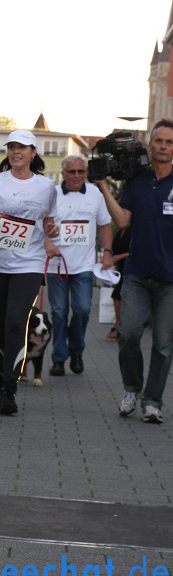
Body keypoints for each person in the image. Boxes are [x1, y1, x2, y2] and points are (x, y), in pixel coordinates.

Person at [0, 130, 59, 416]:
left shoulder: (46, 187)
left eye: (22, 148)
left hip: (29, 263)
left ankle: (10, 388)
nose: (16, 152)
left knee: (16, 322)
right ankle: (1, 371)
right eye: (12, 147)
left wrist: (51, 231)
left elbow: (49, 220)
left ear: (33, 153)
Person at [98, 118, 173, 424]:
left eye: (170, 142)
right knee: (128, 334)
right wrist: (103, 186)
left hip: (170, 279)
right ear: (149, 143)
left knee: (163, 344)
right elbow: (123, 220)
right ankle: (132, 389)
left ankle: (153, 402)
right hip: (138, 274)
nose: (164, 147)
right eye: (159, 141)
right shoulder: (137, 180)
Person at [44, 156, 113, 377]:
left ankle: (76, 351)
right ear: (63, 174)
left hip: (84, 265)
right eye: (71, 172)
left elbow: (104, 224)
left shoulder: (94, 193)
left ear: (85, 173)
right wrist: (47, 242)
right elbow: (41, 224)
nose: (76, 176)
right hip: (57, 265)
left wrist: (108, 253)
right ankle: (58, 359)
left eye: (80, 172)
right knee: (59, 312)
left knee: (82, 309)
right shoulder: (52, 194)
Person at [106, 226, 130, 340]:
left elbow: (137, 250)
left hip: (130, 268)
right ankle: (119, 324)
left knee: (117, 294)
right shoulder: (120, 231)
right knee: (117, 295)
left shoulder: (134, 229)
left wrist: (118, 257)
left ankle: (119, 325)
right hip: (120, 269)